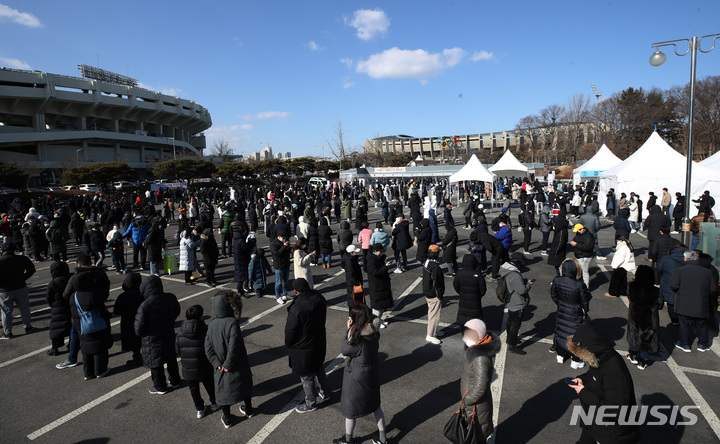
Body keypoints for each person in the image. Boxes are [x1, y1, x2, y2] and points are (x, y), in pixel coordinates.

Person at [566, 322, 640, 444]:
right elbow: (595, 376)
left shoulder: (614, 372)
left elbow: (615, 410)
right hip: (595, 425)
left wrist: (583, 392)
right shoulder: (600, 358)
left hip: (609, 433)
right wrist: (583, 379)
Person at [333, 304, 387, 444]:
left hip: (357, 378)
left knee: (350, 410)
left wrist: (348, 330)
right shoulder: (374, 333)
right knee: (376, 406)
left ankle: (348, 440)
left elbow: (345, 349)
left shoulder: (358, 341)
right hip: (372, 374)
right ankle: (383, 438)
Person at [205, 290, 254, 428]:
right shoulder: (233, 322)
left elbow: (207, 348)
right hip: (237, 362)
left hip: (220, 365)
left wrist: (217, 364)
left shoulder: (211, 325)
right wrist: (228, 364)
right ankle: (249, 410)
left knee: (222, 391)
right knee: (244, 384)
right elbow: (234, 346)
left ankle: (227, 418)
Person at [64, 254, 112, 380]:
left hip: (80, 313)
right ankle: (99, 369)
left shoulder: (76, 281)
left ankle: (75, 360)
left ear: (79, 265)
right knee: (98, 342)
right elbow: (105, 290)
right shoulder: (99, 274)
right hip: (96, 310)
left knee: (79, 337)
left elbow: (66, 294)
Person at [285, 278, 329, 414]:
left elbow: (290, 331)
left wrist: (289, 344)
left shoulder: (297, 308)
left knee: (307, 376)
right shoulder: (319, 298)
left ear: (296, 291)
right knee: (319, 368)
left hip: (303, 347)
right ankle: (325, 392)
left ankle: (311, 403)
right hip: (318, 340)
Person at [135, 274, 182, 394]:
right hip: (168, 333)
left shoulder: (145, 305)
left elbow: (139, 327)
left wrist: (144, 333)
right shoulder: (170, 297)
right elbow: (176, 311)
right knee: (171, 358)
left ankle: (160, 386)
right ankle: (175, 380)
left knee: (156, 363)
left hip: (152, 338)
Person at [459, 319, 500, 441]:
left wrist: (467, 400)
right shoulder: (476, 350)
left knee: (476, 436)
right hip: (474, 405)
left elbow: (481, 387)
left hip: (475, 407)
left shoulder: (480, 358)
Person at [176, 304, 219, 419]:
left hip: (188, 366)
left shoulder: (180, 333)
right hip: (204, 364)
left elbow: (177, 350)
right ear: (200, 316)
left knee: (193, 388)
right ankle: (214, 403)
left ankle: (199, 408)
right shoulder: (205, 330)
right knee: (209, 384)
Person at [670, 250, 717, 352]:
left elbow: (673, 286)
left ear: (686, 258)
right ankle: (703, 344)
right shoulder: (707, 272)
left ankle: (684, 344)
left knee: (684, 324)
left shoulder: (680, 270)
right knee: (702, 324)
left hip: (684, 302)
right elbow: (713, 288)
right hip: (701, 303)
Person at [550, 258, 592, 368]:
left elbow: (553, 294)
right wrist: (585, 310)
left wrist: (560, 303)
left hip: (562, 309)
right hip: (575, 312)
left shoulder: (557, 280)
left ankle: (560, 355)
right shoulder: (579, 284)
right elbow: (585, 300)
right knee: (575, 335)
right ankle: (575, 360)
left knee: (560, 331)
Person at [626, 265, 664, 370]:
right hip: (649, 320)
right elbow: (660, 304)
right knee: (647, 339)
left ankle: (633, 354)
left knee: (633, 333)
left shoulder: (631, 286)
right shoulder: (656, 291)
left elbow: (629, 296)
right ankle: (643, 360)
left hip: (634, 316)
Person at [0, 241, 36, 339]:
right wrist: (23, 278)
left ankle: (8, 332)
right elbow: (32, 269)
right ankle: (27, 326)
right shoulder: (21, 259)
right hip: (20, 286)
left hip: (5, 290)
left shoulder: (1, 261)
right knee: (24, 308)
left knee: (6, 311)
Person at [500, 252, 533, 355]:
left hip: (510, 301)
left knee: (510, 321)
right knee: (515, 325)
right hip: (517, 303)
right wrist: (528, 284)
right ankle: (512, 345)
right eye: (522, 261)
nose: (523, 263)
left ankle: (510, 339)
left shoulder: (506, 270)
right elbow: (522, 290)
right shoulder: (514, 275)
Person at [113, 272, 143, 365]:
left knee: (132, 340)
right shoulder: (142, 294)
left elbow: (116, 311)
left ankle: (137, 356)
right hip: (141, 319)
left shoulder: (123, 296)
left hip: (128, 321)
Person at [46, 261, 72, 355]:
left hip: (58, 306)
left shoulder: (53, 283)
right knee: (71, 325)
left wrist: (53, 305)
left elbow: (49, 297)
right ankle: (71, 343)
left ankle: (55, 347)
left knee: (56, 327)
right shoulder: (71, 278)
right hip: (70, 304)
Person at [454, 254, 487, 326]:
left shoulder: (459, 273)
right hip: (475, 301)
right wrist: (478, 295)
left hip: (463, 299)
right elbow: (483, 289)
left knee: (463, 318)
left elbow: (456, 286)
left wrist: (461, 293)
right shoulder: (478, 274)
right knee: (475, 321)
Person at [366, 243, 393, 328]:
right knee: (377, 307)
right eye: (380, 251)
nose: (382, 252)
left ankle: (379, 320)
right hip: (377, 286)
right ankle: (375, 323)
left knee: (381, 306)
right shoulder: (371, 261)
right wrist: (385, 267)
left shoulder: (376, 258)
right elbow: (375, 273)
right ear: (375, 251)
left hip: (381, 285)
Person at [422, 244, 445, 345]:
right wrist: (439, 294)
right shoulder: (435, 267)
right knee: (434, 315)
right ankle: (430, 335)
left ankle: (434, 330)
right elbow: (437, 282)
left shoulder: (427, 262)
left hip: (427, 291)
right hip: (433, 293)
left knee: (431, 313)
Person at [657, 246, 685, 325]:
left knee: (670, 301)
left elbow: (659, 268)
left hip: (668, 282)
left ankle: (674, 319)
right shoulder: (688, 259)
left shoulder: (666, 258)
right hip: (683, 283)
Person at [570, 224, 594, 288]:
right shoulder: (579, 234)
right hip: (580, 255)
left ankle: (585, 287)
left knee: (584, 273)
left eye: (578, 230)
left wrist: (576, 244)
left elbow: (587, 247)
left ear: (582, 229)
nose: (577, 232)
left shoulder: (589, 237)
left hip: (584, 257)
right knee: (579, 271)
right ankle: (580, 285)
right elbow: (576, 239)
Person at [270, 233, 292, 304]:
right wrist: (284, 246)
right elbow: (277, 254)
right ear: (279, 237)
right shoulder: (274, 244)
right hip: (279, 266)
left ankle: (285, 294)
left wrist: (288, 247)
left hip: (286, 264)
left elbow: (287, 252)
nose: (284, 239)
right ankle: (278, 296)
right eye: (283, 238)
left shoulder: (284, 242)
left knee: (285, 281)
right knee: (278, 282)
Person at [548, 210, 569, 275]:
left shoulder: (561, 232)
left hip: (558, 253)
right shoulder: (563, 229)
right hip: (560, 252)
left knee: (559, 268)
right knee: (558, 267)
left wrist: (555, 252)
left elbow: (560, 243)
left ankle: (561, 278)